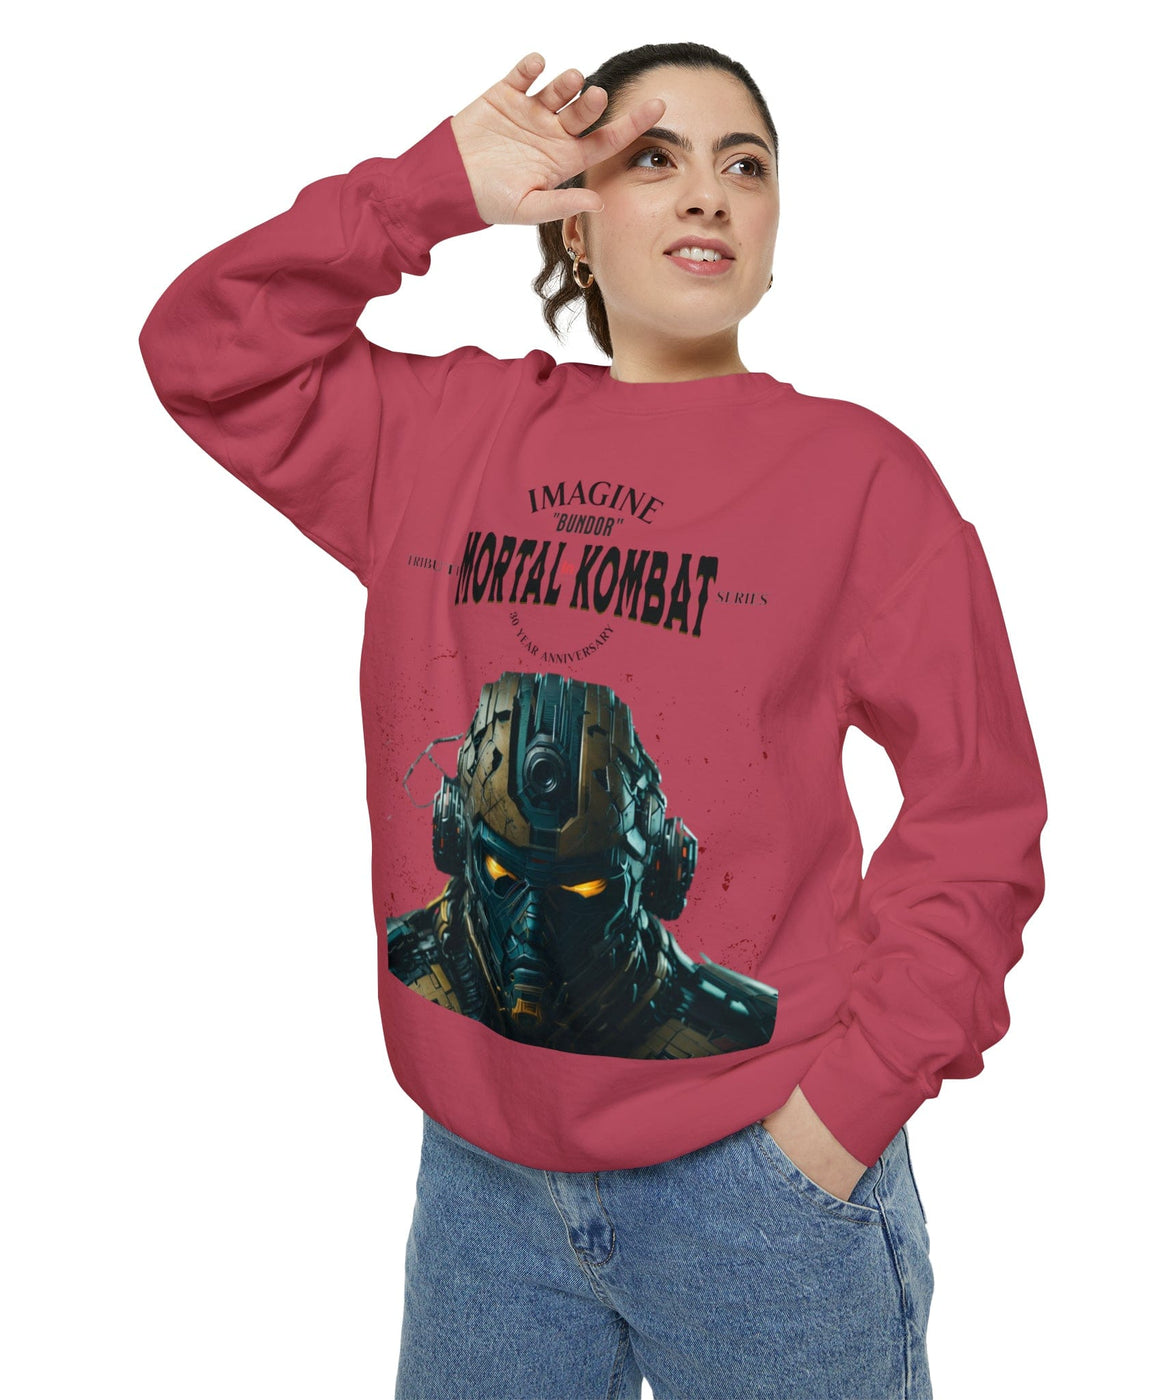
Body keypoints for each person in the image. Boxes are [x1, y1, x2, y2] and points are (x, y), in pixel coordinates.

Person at [138, 42, 1048, 1400]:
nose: (708, 194)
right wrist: (430, 188)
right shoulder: (441, 439)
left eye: (746, 166)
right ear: (573, 216)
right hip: (482, 1193)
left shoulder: (858, 480)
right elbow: (207, 352)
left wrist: (843, 1116)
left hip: (759, 1188)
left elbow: (979, 812)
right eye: (653, 159)